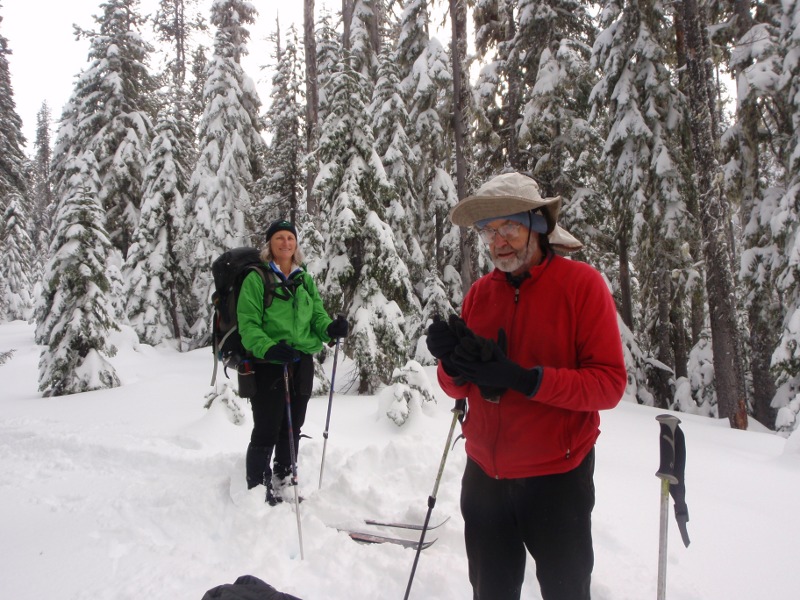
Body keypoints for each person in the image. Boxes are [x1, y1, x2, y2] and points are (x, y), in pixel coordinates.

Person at [426, 172, 627, 600]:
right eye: (489, 230)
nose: (499, 241)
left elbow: (608, 385)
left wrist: (524, 380)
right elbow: (456, 389)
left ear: (537, 224)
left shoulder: (582, 286)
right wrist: (452, 365)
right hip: (484, 479)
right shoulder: (480, 293)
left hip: (557, 479)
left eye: (510, 227)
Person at [237, 218, 348, 505]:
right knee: (267, 426)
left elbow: (317, 315)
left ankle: (285, 478)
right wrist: (269, 348)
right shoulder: (257, 278)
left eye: (290, 238)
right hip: (268, 364)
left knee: (293, 425)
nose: (286, 243)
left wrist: (329, 329)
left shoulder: (303, 278)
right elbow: (248, 325)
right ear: (269, 244)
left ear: (296, 243)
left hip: (301, 362)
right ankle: (257, 488)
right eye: (279, 238)